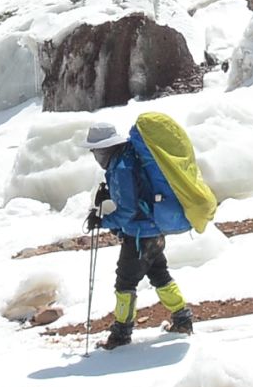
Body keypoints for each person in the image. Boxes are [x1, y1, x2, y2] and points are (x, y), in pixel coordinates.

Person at [83, 121, 194, 349]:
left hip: (139, 235)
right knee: (159, 275)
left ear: (104, 149)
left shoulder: (122, 167)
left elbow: (128, 210)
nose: (96, 155)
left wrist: (103, 222)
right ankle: (182, 319)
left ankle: (121, 334)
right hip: (153, 232)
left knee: (125, 282)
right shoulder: (125, 160)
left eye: (96, 151)